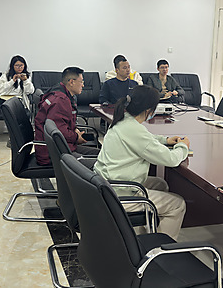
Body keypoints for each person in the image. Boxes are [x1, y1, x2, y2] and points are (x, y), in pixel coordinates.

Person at [94, 85, 190, 240]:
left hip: (107, 184)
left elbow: (144, 138)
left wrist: (165, 140)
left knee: (160, 184)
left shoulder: (123, 120)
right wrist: (183, 146)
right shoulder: (134, 130)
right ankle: (160, 248)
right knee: (177, 204)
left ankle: (143, 233)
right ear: (149, 110)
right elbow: (171, 159)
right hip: (119, 193)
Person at [34, 67, 100, 166]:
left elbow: (62, 123)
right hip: (55, 154)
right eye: (81, 81)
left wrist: (75, 130)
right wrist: (76, 137)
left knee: (101, 154)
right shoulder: (60, 100)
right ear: (71, 82)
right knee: (101, 164)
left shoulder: (60, 93)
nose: (83, 85)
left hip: (61, 147)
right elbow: (59, 132)